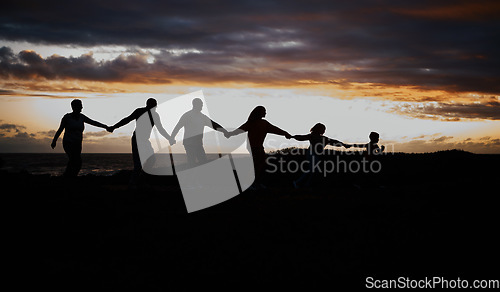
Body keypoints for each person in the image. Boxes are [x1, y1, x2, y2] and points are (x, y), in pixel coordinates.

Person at [108, 98, 175, 184]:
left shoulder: (155, 115)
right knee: (138, 165)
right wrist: (114, 127)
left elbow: (160, 129)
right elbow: (126, 120)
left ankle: (141, 180)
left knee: (152, 160)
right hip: (137, 140)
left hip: (145, 141)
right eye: (153, 105)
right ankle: (133, 185)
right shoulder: (139, 111)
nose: (154, 107)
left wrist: (169, 138)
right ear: (149, 105)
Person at [226, 106, 292, 189]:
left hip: (258, 147)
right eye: (264, 111)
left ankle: (255, 182)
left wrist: (285, 133)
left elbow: (275, 129)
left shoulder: (262, 123)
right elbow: (240, 130)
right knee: (257, 165)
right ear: (259, 112)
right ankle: (252, 183)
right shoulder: (253, 123)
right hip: (254, 148)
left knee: (259, 165)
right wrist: (230, 134)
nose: (265, 113)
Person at [51, 99, 110, 177]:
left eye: (81, 105)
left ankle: (70, 176)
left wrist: (105, 126)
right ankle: (68, 177)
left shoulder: (82, 117)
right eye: (80, 105)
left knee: (76, 162)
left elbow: (93, 122)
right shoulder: (67, 117)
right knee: (74, 160)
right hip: (68, 142)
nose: (82, 107)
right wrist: (54, 141)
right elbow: (60, 130)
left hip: (78, 143)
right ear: (74, 107)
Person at [171, 98, 228, 166]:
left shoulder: (203, 117)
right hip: (189, 144)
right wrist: (172, 138)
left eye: (202, 105)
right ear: (195, 104)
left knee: (203, 161)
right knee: (192, 162)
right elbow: (178, 127)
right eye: (200, 105)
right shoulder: (187, 115)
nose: (201, 106)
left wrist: (224, 131)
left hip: (198, 144)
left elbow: (214, 125)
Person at [292, 123, 350, 188]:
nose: (324, 131)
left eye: (324, 130)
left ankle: (303, 184)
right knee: (313, 170)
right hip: (311, 154)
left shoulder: (324, 138)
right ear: (318, 129)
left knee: (313, 170)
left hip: (316, 155)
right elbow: (301, 137)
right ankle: (300, 183)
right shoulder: (312, 136)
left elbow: (334, 141)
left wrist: (343, 144)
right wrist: (292, 136)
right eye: (323, 129)